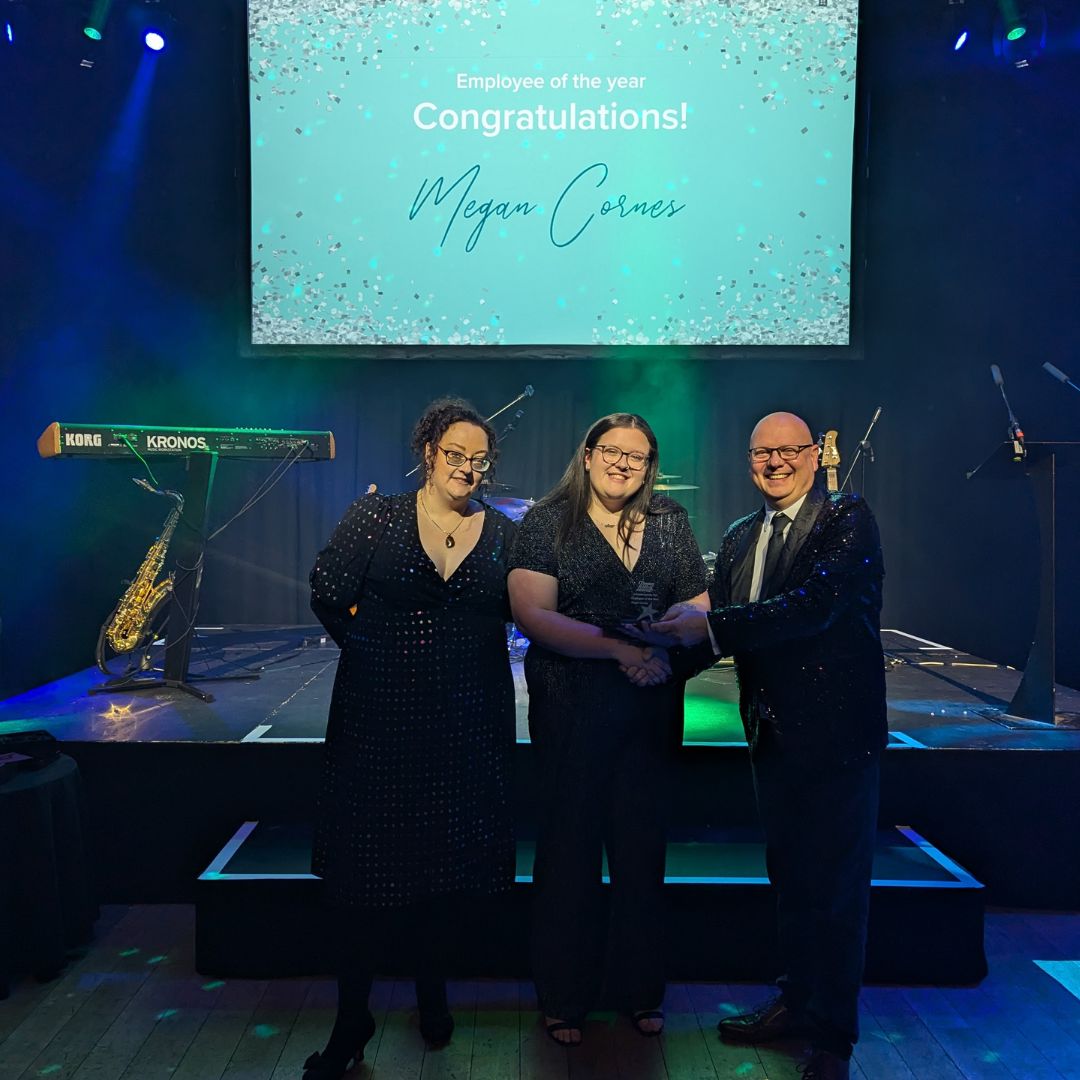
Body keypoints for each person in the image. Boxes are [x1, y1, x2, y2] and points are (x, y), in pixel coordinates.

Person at [644, 411, 887, 1080]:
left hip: (839, 740)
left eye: (788, 450)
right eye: (761, 452)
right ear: (748, 461)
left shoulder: (847, 519)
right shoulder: (740, 535)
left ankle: (833, 1036)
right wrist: (644, 665)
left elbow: (810, 609)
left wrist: (705, 628)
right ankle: (797, 1003)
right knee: (793, 881)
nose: (774, 461)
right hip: (774, 738)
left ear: (814, 456)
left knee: (837, 890)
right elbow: (718, 638)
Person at [304, 398, 517, 1079]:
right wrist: (377, 654)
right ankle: (351, 1020)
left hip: (466, 724)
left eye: (479, 459)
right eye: (455, 453)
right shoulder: (378, 516)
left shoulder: (506, 534)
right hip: (379, 722)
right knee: (364, 877)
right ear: (428, 451)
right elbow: (328, 593)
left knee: (442, 872)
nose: (467, 467)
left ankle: (432, 992)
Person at [507, 412, 709, 1046]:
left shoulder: (670, 521)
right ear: (588, 455)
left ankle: (640, 991)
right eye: (612, 452)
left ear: (651, 466)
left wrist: (672, 633)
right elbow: (533, 616)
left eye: (639, 456)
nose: (624, 464)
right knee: (568, 854)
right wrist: (621, 651)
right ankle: (564, 997)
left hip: (651, 705)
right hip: (574, 704)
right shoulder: (547, 521)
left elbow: (700, 599)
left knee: (642, 856)